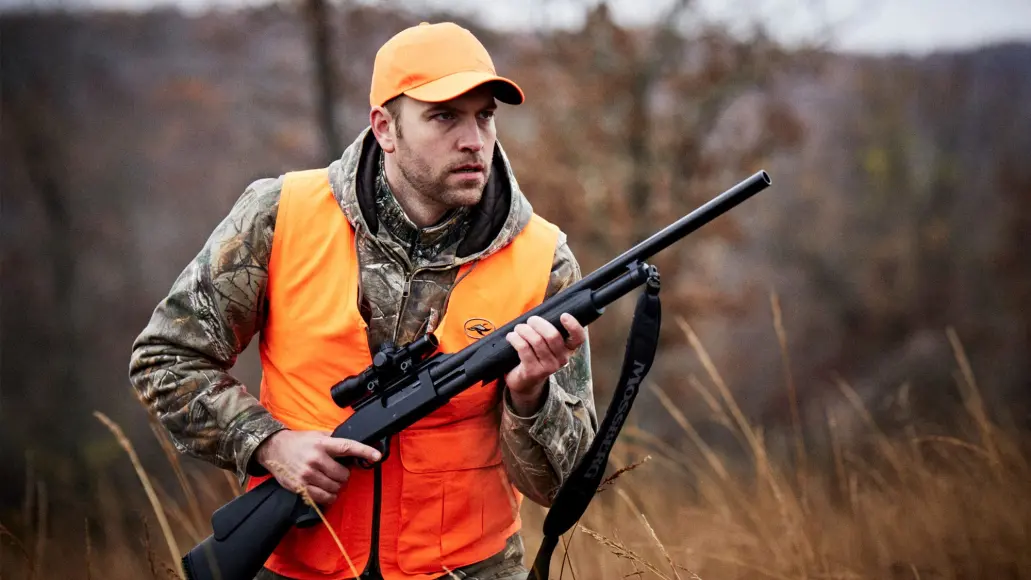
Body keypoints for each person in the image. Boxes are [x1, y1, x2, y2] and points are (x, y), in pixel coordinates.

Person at [129, 21, 597, 580]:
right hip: (297, 566)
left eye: (485, 116)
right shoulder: (279, 216)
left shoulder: (543, 259)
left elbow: (562, 487)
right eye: (444, 116)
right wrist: (268, 444)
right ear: (385, 128)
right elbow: (165, 359)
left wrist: (529, 397)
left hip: (468, 571)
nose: (474, 139)